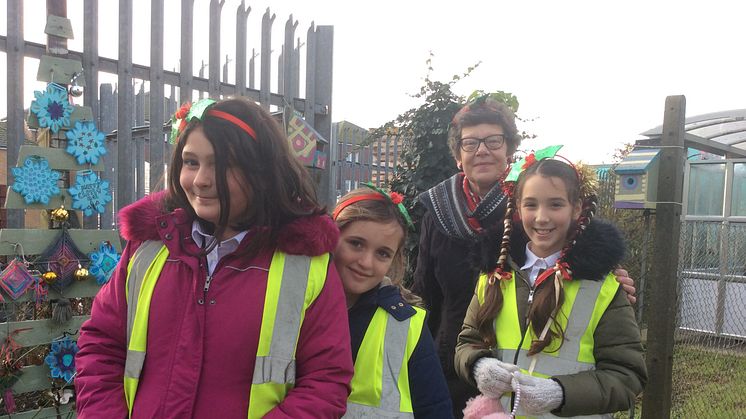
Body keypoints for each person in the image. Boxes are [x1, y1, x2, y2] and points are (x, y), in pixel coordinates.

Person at [75, 97, 354, 418]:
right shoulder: (148, 248)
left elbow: (326, 381)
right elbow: (101, 345)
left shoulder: (306, 264)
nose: (202, 180)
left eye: (225, 164)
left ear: (263, 172)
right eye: (191, 162)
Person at [412, 94, 637, 416]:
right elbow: (425, 291)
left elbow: (580, 256)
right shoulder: (436, 209)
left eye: (493, 140)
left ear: (509, 150)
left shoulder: (536, 199)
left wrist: (609, 274)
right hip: (456, 361)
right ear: (458, 155)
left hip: (528, 377)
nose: (482, 150)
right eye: (471, 143)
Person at [454, 149, 647, 417]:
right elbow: (466, 343)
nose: (542, 217)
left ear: (576, 208)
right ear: (518, 208)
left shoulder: (605, 287)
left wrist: (560, 393)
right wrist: (478, 365)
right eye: (531, 205)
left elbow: (627, 376)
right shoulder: (494, 278)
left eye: (555, 205)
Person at [332, 185, 454, 418]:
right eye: (356, 243)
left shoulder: (406, 325)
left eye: (382, 253)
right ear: (331, 236)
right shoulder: (294, 307)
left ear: (394, 260)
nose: (366, 263)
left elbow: (434, 409)